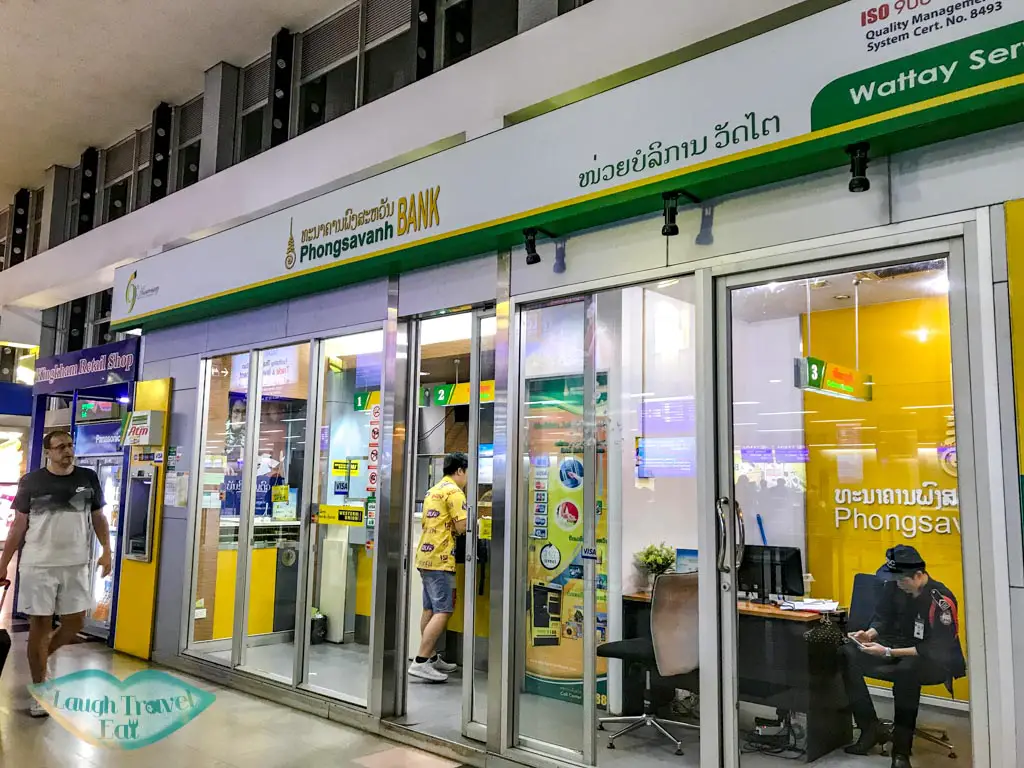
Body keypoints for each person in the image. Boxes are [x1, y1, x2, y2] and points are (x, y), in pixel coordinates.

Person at [0, 429, 111, 717]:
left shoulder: (88, 478)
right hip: (38, 565)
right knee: (40, 625)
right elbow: (18, 525)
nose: (67, 451)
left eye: (70, 445)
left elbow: (98, 516)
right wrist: (3, 562)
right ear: (48, 452)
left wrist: (107, 550)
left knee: (75, 622)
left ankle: (40, 656)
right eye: (60, 446)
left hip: (76, 563)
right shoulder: (32, 481)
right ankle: (41, 689)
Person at [841, 545, 966, 768]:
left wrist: (888, 652)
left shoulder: (941, 600)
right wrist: (869, 634)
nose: (897, 584)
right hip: (896, 646)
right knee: (846, 653)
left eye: (902, 580)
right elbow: (883, 617)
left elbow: (935, 648)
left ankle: (901, 753)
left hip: (933, 659)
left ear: (918, 575)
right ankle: (870, 729)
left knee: (907, 672)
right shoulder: (894, 585)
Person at [408, 452, 469, 683]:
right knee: (444, 610)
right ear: (460, 470)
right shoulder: (455, 492)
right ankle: (421, 661)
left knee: (430, 609)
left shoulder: (433, 490)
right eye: (467, 472)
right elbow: (462, 527)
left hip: (425, 557)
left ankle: (431, 657)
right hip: (441, 559)